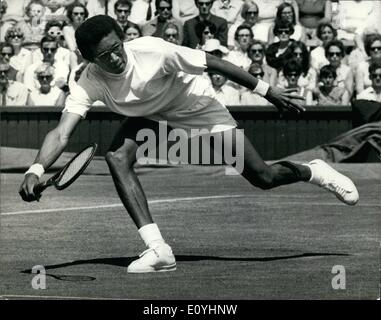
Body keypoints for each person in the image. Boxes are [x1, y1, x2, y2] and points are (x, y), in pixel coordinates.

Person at [19, 15, 359, 274]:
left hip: (195, 105)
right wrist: (35, 169)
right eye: (105, 56)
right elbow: (61, 133)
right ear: (91, 59)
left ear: (123, 40)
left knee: (263, 177)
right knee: (117, 156)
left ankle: (312, 171)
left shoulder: (154, 49)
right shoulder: (89, 80)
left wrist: (268, 93)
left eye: (117, 48)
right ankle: (158, 250)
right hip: (150, 114)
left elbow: (213, 63)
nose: (115, 59)